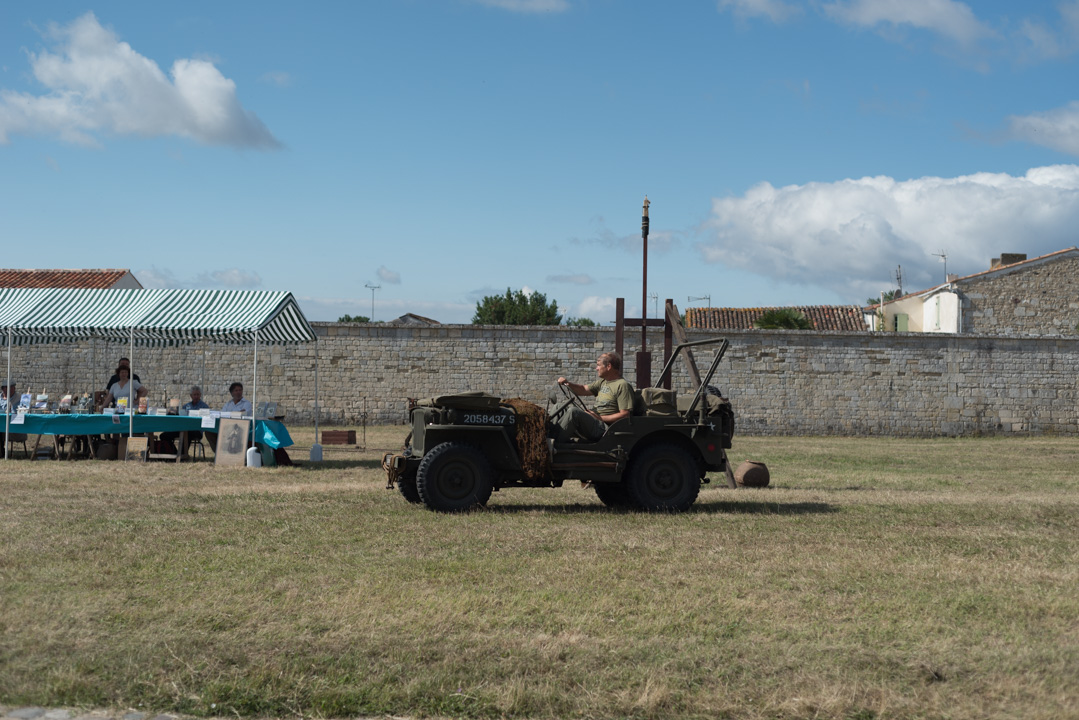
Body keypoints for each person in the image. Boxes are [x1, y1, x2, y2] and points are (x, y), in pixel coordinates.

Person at [554, 351, 634, 442]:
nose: (596, 368)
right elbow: (583, 389)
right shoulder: (603, 382)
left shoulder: (622, 385)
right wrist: (568, 383)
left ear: (608, 366)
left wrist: (600, 418)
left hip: (604, 428)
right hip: (594, 421)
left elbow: (624, 415)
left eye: (599, 365)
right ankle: (545, 435)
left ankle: (553, 443)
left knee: (574, 412)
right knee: (559, 407)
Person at [161, 386, 210, 453]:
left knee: (188, 433)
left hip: (196, 430)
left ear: (200, 395)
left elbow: (206, 421)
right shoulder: (186, 406)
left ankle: (182, 455)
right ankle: (174, 453)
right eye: (194, 394)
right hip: (183, 428)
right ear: (191, 396)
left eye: (198, 394)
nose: (196, 396)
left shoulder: (204, 407)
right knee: (164, 435)